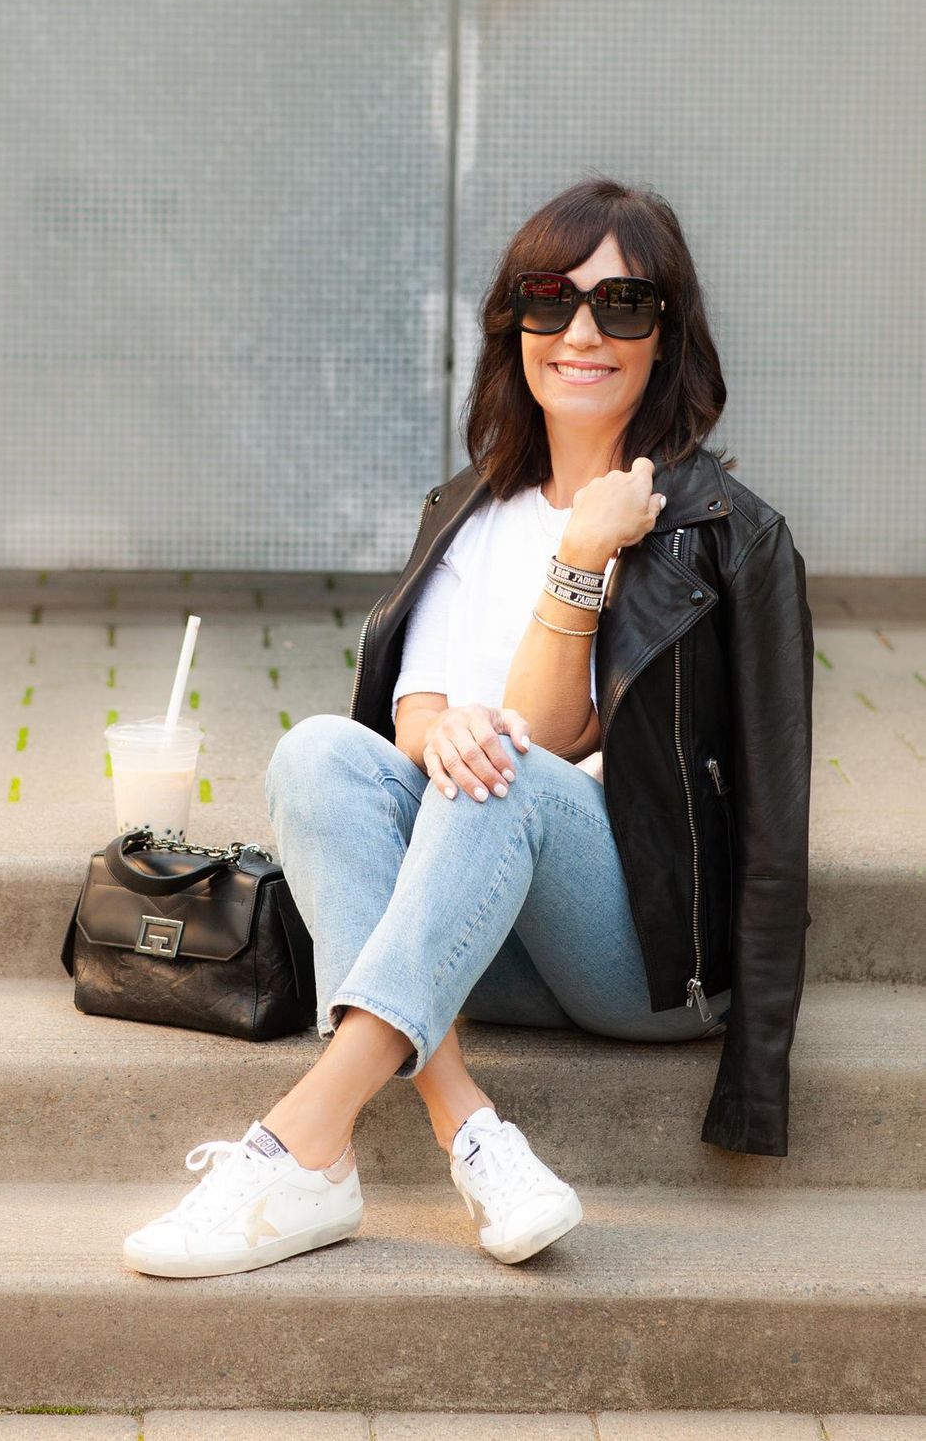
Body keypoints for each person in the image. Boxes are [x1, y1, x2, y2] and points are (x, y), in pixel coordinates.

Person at [122, 175, 813, 1281]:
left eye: (621, 304)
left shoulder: (728, 534)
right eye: (550, 299)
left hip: (643, 953)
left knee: (504, 770)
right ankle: (469, 1127)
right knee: (317, 752)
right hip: (477, 925)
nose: (580, 333)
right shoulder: (471, 508)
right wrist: (438, 734)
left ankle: (301, 1140)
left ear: (667, 335)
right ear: (514, 325)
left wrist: (582, 555)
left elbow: (746, 801)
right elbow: (416, 713)